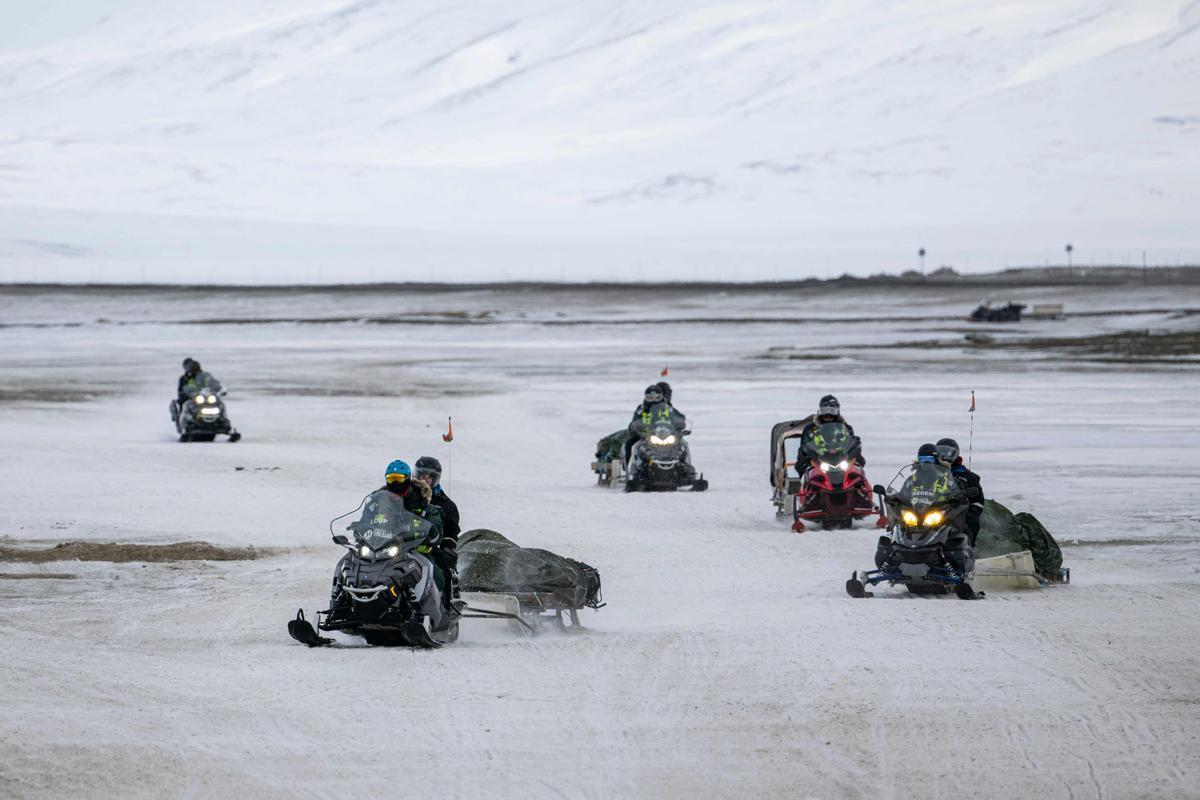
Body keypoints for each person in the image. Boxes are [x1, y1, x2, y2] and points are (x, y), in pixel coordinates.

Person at [415, 456, 461, 612]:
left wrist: (447, 546)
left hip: (433, 546)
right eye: (421, 475)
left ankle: (445, 609)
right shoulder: (408, 496)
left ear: (435, 478)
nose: (424, 479)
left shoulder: (446, 504)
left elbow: (453, 530)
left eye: (428, 476)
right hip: (406, 543)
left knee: (444, 567)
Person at [795, 395, 863, 473]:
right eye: (825, 411)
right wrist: (810, 453)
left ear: (837, 411)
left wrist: (854, 448)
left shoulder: (846, 428)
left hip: (841, 460)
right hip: (818, 460)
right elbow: (804, 446)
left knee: (859, 464)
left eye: (831, 411)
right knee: (802, 465)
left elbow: (851, 444)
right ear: (820, 411)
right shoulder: (810, 429)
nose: (828, 416)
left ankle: (863, 484)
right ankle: (806, 483)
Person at [936, 437, 984, 544]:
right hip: (931, 508)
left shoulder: (968, 476)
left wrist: (972, 511)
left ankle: (968, 547)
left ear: (956, 454)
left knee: (972, 520)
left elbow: (978, 501)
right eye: (941, 451)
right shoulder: (929, 472)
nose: (945, 455)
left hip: (957, 510)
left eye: (949, 452)